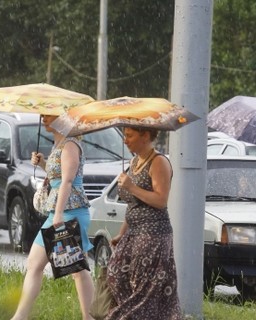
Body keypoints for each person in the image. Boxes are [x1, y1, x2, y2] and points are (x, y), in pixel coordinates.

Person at [11, 114, 95, 320]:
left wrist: (58, 214)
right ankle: (20, 316)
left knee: (77, 269)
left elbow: (67, 181)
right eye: (43, 116)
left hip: (69, 213)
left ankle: (89, 316)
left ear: (64, 118)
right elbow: (57, 176)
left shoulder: (70, 145)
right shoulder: (59, 143)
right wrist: (42, 164)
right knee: (35, 264)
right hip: (59, 213)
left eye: (49, 116)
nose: (44, 119)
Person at [105, 127, 182, 319]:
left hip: (153, 234)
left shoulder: (159, 162)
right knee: (116, 275)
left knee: (143, 288)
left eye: (130, 135)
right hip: (133, 233)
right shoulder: (134, 161)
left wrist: (131, 186)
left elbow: (160, 200)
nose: (125, 140)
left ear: (145, 135)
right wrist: (122, 232)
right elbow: (133, 205)